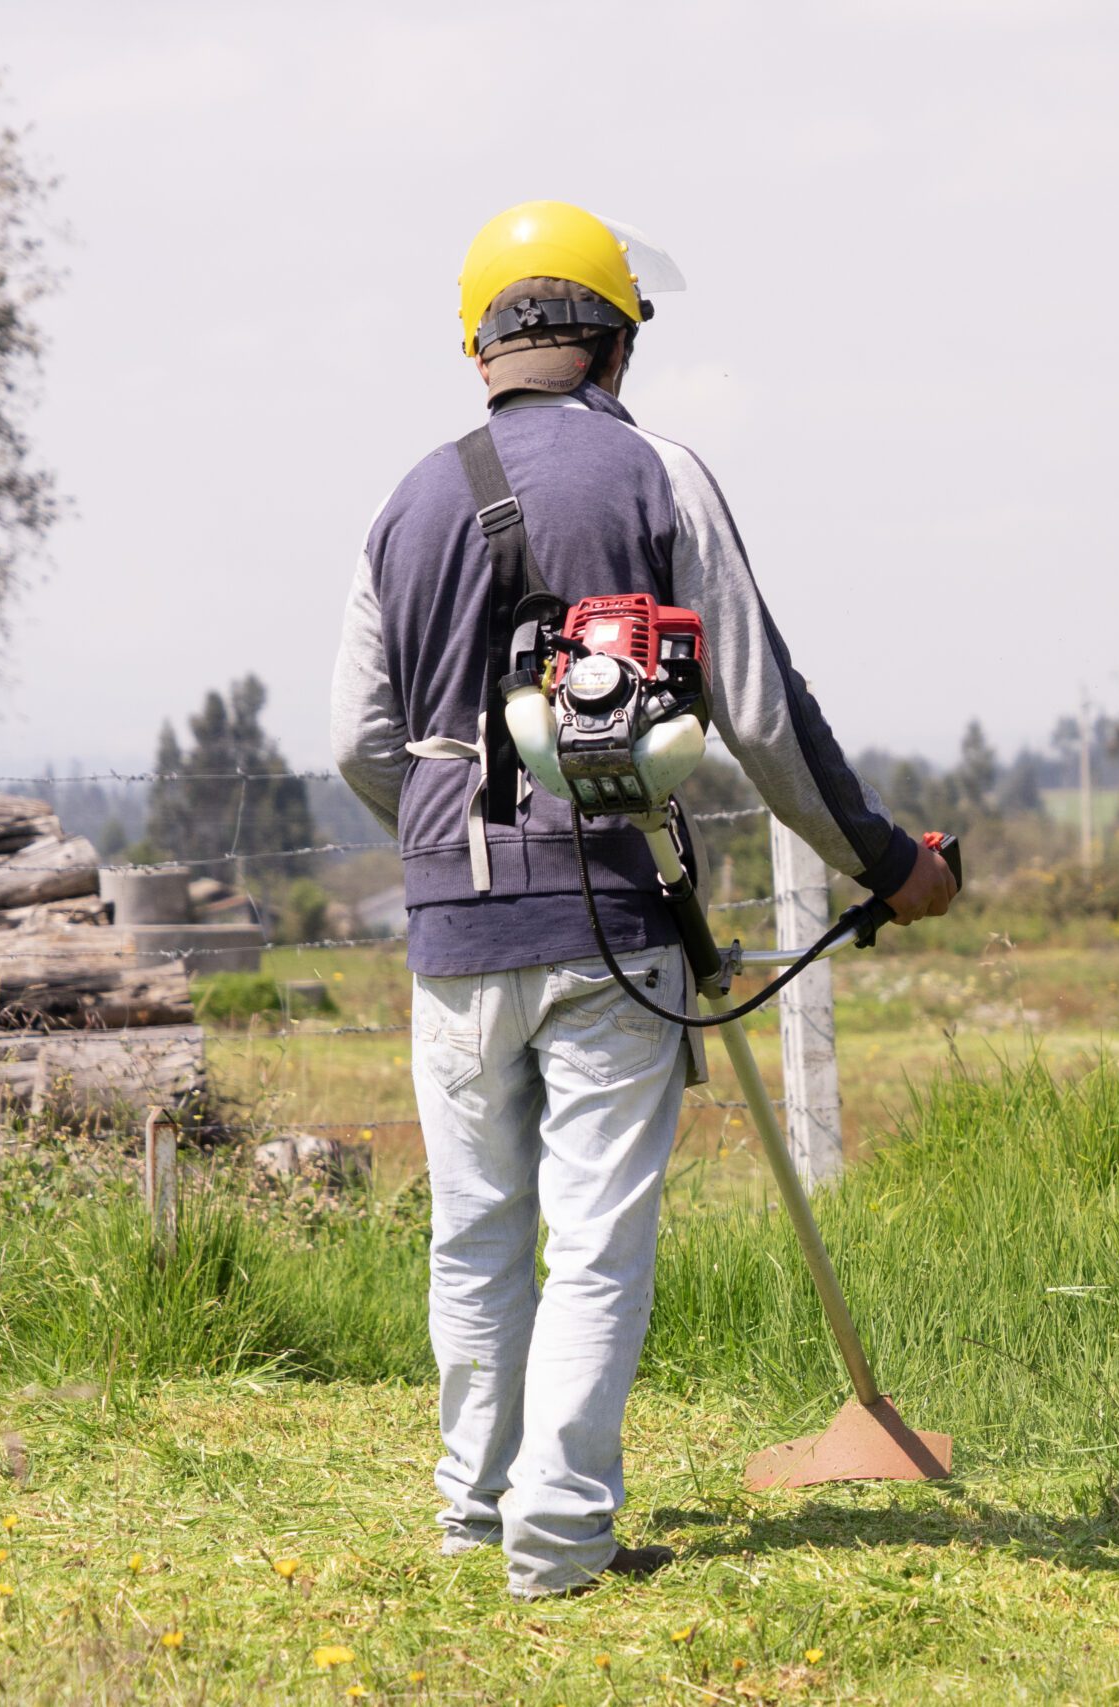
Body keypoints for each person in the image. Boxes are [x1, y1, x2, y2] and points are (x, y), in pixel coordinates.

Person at [328, 200, 956, 1599]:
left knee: (474, 1232)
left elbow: (360, 743)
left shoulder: (403, 501)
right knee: (595, 1238)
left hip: (453, 926)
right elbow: (762, 714)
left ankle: (472, 1515)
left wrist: (448, 851)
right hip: (610, 921)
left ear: (480, 347)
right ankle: (559, 1540)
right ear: (614, 342)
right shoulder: (659, 473)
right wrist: (882, 861)